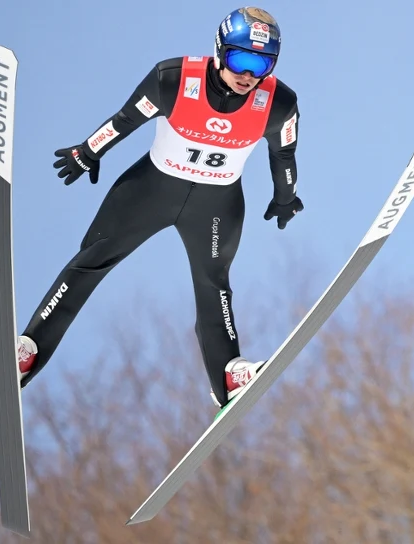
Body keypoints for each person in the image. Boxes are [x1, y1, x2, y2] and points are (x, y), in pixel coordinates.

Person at [16, 6, 303, 409]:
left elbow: (284, 154)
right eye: (240, 59)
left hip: (215, 204)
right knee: (92, 259)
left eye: (261, 64)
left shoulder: (278, 103)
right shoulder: (173, 79)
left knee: (213, 283)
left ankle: (227, 376)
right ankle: (29, 348)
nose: (248, 75)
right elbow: (124, 119)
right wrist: (87, 151)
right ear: (221, 51)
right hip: (151, 189)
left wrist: (286, 196)